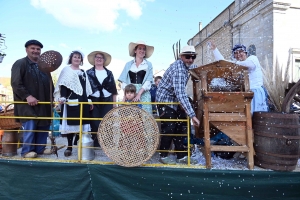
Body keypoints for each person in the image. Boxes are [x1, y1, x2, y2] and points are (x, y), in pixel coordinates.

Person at [156, 45, 200, 165]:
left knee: (181, 127)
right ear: (181, 57)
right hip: (165, 100)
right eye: (187, 57)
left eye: (193, 57)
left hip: (175, 99)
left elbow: (195, 67)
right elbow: (180, 94)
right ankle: (163, 155)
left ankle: (181, 156)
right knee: (169, 127)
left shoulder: (186, 65)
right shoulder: (179, 70)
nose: (190, 60)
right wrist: (193, 116)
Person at [11, 39, 52, 158]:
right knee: (30, 124)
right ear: (27, 50)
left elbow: (50, 84)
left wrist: (51, 99)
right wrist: (27, 96)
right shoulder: (20, 63)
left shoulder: (44, 67)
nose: (35, 51)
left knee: (43, 125)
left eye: (38, 49)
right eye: (32, 48)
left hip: (43, 103)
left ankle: (40, 148)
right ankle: (26, 151)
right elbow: (15, 83)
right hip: (27, 104)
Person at [209, 42, 269, 114]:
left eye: (240, 52)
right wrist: (215, 50)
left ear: (245, 53)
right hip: (246, 94)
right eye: (236, 53)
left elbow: (250, 65)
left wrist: (233, 63)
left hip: (256, 93)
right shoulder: (238, 66)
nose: (238, 55)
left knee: (257, 116)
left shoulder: (252, 58)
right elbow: (223, 63)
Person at [53, 50, 93, 157]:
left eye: (79, 57)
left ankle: (79, 144)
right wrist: (63, 97)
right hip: (71, 101)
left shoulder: (83, 72)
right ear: (71, 58)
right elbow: (63, 85)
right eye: (75, 57)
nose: (77, 59)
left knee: (82, 125)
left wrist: (89, 100)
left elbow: (86, 89)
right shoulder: (66, 70)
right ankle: (69, 147)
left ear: (81, 60)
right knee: (71, 124)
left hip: (83, 101)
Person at [86, 51, 118, 147]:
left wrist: (114, 103)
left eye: (101, 57)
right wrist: (88, 101)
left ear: (104, 60)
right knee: (94, 121)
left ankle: (107, 143)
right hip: (93, 100)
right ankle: (96, 143)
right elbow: (86, 89)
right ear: (94, 59)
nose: (99, 59)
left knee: (107, 121)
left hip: (107, 99)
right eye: (97, 57)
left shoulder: (109, 73)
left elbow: (113, 89)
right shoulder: (88, 73)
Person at [118, 40, 154, 114]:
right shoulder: (128, 64)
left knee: (145, 115)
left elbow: (148, 80)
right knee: (130, 116)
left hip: (144, 93)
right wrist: (125, 95)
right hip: (130, 92)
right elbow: (124, 80)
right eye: (140, 48)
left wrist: (139, 94)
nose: (142, 51)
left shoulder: (148, 64)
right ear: (135, 50)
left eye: (144, 49)